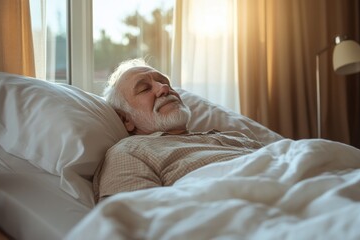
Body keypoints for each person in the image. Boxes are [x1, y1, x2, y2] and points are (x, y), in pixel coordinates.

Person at [93, 59, 265, 203]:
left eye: (165, 83)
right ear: (126, 120)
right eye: (145, 89)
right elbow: (136, 219)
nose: (164, 89)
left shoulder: (234, 137)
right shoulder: (130, 152)